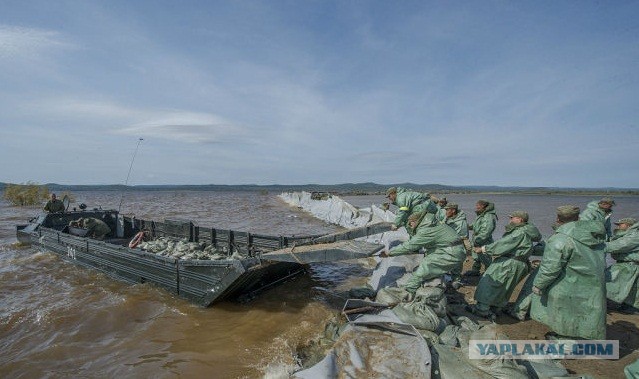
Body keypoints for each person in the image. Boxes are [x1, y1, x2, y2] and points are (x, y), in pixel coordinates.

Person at [530, 205, 607, 340]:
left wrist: (539, 285)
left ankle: (566, 345)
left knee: (566, 312)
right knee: (583, 312)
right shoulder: (594, 234)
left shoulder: (560, 239)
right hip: (593, 283)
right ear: (578, 217)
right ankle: (577, 337)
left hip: (569, 283)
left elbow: (550, 268)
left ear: (558, 218)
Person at [468, 211, 541, 318]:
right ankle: (496, 308)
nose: (510, 220)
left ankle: (482, 309)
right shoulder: (528, 232)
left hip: (510, 262)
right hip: (521, 263)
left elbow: (503, 244)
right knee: (506, 286)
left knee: (490, 282)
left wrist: (483, 249)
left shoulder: (519, 232)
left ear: (520, 220)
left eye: (512, 218)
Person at [380, 211, 466, 296]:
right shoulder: (432, 224)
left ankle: (408, 292)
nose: (410, 226)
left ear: (415, 222)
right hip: (453, 249)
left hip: (451, 253)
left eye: (410, 224)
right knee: (428, 265)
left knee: (423, 270)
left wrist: (389, 253)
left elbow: (410, 245)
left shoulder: (426, 230)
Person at [605, 217, 639, 313]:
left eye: (621, 224)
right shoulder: (626, 235)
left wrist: (597, 246)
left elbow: (619, 246)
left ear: (628, 225)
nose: (618, 226)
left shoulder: (635, 236)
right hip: (626, 264)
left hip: (630, 265)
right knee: (629, 289)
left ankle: (629, 307)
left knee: (607, 281)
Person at [464, 200, 497, 276]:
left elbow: (486, 231)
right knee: (476, 257)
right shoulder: (481, 215)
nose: (476, 207)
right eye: (476, 205)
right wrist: (465, 226)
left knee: (486, 258)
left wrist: (478, 240)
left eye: (478, 205)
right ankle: (475, 271)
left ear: (483, 206)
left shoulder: (488, 216)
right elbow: (474, 225)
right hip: (477, 238)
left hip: (484, 240)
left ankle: (488, 273)